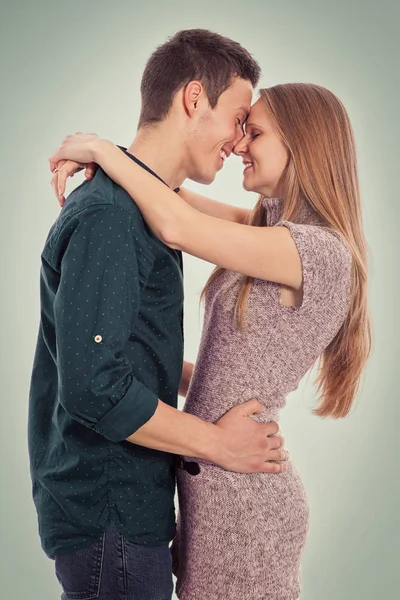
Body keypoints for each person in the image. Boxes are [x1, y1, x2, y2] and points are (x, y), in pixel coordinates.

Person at [50, 82, 371, 599]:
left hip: (243, 505)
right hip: (216, 488)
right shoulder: (272, 230)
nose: (241, 144)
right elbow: (174, 198)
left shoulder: (314, 252)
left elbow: (178, 226)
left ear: (303, 145)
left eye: (256, 132)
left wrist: (102, 150)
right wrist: (118, 167)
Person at [28, 30, 289, 600]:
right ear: (194, 99)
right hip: (110, 515)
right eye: (238, 117)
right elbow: (96, 386)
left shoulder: (137, 208)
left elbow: (125, 351)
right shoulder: (112, 218)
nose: (239, 140)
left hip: (125, 514)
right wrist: (218, 444)